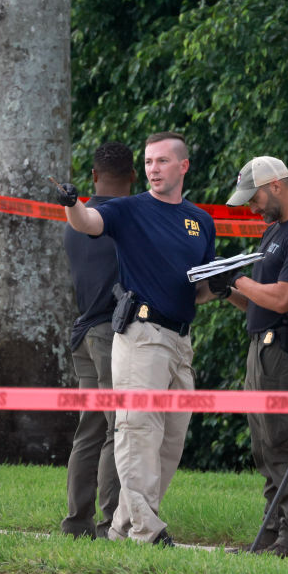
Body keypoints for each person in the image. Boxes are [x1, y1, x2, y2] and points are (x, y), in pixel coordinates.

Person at [55, 131, 217, 546]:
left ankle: (124, 526)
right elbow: (89, 222)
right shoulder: (128, 209)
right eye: (148, 162)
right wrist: (74, 204)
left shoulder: (200, 221)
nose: (153, 169)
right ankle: (148, 531)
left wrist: (224, 284)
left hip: (181, 340)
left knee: (170, 439)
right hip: (140, 336)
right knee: (134, 431)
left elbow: (199, 288)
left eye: (162, 161)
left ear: (183, 166)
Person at [208, 156, 288, 558]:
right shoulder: (276, 232)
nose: (252, 208)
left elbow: (282, 299)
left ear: (276, 185)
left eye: (254, 198)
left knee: (282, 441)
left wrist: (236, 276)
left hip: (285, 351)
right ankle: (272, 529)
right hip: (262, 347)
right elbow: (259, 305)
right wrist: (228, 291)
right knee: (264, 445)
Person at [60, 141, 136, 540]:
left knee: (88, 431)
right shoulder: (127, 220)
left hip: (83, 334)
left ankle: (76, 523)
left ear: (93, 176)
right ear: (134, 178)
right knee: (116, 428)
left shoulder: (74, 222)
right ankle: (110, 522)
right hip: (110, 334)